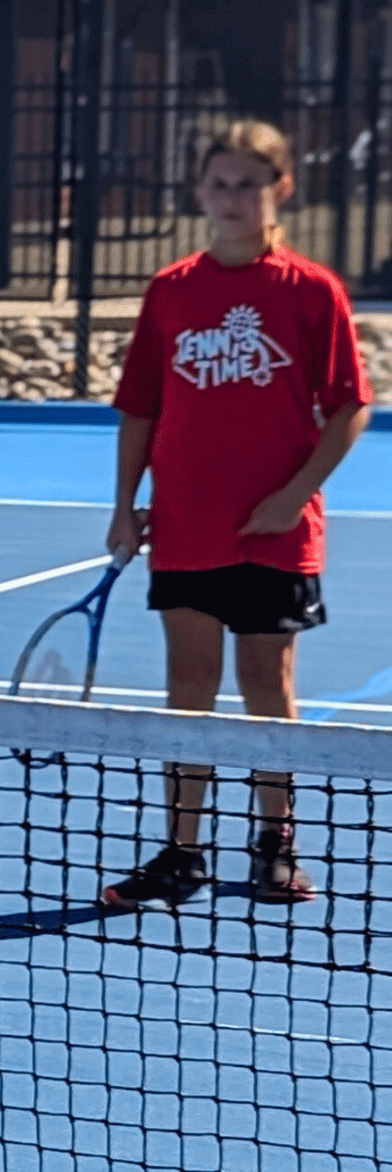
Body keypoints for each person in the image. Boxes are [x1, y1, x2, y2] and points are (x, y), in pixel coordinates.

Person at [102, 118, 372, 910]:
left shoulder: (311, 291)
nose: (231, 198)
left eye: (248, 184)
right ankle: (182, 853)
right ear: (197, 192)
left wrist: (293, 495)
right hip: (185, 527)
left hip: (278, 533)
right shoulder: (171, 291)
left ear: (278, 190)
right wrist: (124, 508)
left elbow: (350, 406)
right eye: (218, 183)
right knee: (188, 685)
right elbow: (140, 409)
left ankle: (274, 846)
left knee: (266, 687)